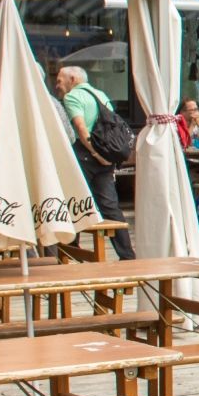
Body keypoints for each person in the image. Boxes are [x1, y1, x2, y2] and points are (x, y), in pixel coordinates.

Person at [52, 63, 135, 259]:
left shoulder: (72, 97)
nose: (57, 85)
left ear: (72, 80)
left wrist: (95, 154)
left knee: (76, 202)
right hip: (107, 157)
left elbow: (81, 129)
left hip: (86, 156)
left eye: (59, 81)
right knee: (110, 207)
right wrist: (104, 156)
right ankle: (127, 255)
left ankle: (71, 253)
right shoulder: (101, 95)